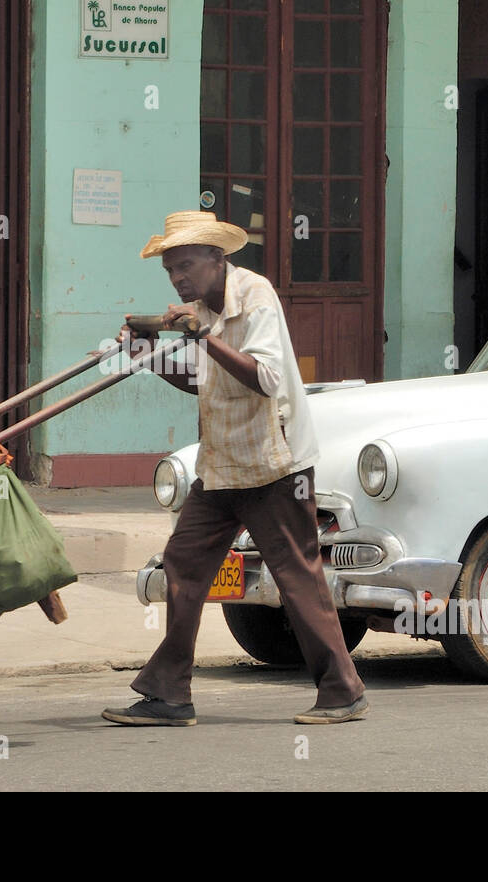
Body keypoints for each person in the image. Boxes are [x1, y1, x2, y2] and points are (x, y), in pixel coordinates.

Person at [102, 211, 367, 726]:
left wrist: (202, 336)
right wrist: (150, 357)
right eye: (170, 271)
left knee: (296, 577)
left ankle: (342, 691)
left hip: (275, 463)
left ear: (218, 259)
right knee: (182, 566)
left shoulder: (256, 295)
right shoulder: (202, 311)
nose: (178, 279)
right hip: (222, 463)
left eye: (185, 266)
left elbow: (265, 378)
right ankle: (169, 694)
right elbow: (205, 382)